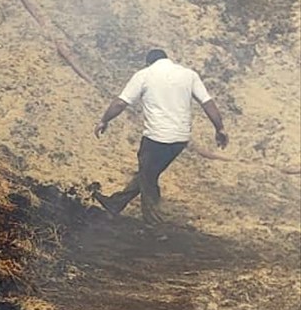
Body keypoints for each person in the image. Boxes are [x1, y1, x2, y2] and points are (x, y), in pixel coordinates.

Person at [92, 49, 228, 224]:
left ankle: (153, 224)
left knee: (148, 178)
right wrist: (220, 128)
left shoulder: (144, 75)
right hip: (180, 139)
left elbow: (120, 102)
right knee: (148, 172)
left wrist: (104, 120)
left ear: (149, 62)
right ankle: (116, 202)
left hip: (155, 137)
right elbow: (207, 102)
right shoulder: (188, 75)